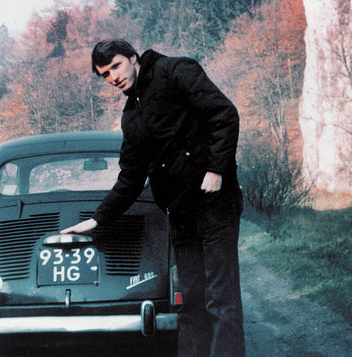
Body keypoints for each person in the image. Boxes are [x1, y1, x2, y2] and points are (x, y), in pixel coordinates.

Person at [61, 39, 245, 357]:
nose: (113, 77)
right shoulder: (131, 117)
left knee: (220, 297)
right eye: (105, 74)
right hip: (181, 211)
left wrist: (216, 169)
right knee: (191, 300)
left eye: (116, 66)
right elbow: (130, 178)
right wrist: (97, 218)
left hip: (215, 202)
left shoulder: (175, 71)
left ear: (133, 58)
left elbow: (224, 115)